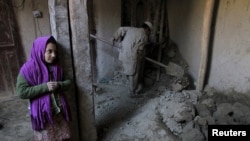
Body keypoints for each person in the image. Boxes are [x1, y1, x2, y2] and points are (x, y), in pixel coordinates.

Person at [16, 35, 72, 141]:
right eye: (49, 51)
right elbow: (21, 92)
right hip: (43, 115)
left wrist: (60, 85)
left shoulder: (57, 67)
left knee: (63, 138)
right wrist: (44, 87)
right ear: (40, 50)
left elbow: (68, 82)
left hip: (59, 112)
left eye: (55, 51)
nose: (53, 55)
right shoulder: (28, 69)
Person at [112, 21, 152, 98]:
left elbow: (120, 29)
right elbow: (140, 49)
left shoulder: (132, 29)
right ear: (147, 29)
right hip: (132, 56)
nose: (149, 33)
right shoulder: (144, 36)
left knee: (128, 71)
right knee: (134, 74)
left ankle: (131, 86)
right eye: (149, 31)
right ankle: (132, 92)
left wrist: (114, 37)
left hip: (122, 53)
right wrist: (141, 56)